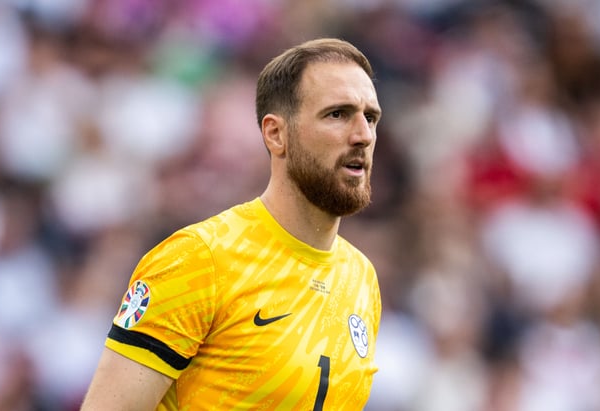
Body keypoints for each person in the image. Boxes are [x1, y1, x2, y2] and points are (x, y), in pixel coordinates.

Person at [81, 37, 383, 410]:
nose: (363, 135)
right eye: (337, 114)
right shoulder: (199, 260)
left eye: (370, 118)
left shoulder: (361, 278)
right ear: (276, 134)